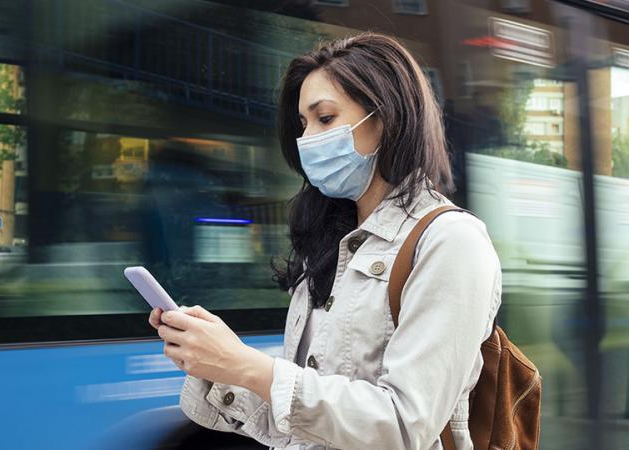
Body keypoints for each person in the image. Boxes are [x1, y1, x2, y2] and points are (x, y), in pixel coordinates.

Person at [148, 31, 501, 450]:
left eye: (326, 118)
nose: (308, 139)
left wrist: (249, 367)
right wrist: (217, 363)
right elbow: (305, 423)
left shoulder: (451, 242)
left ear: (386, 118)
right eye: (303, 124)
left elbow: (405, 426)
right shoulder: (331, 244)